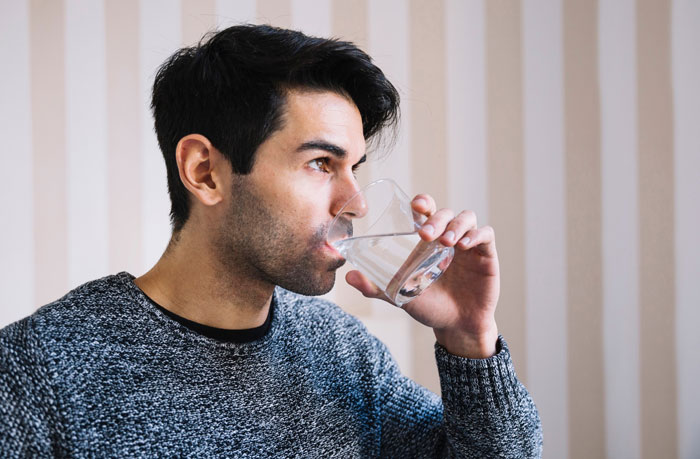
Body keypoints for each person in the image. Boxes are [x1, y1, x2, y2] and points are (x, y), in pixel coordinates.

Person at [0, 24, 542, 457]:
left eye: (354, 167)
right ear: (204, 171)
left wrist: (470, 342)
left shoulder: (343, 354)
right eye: (320, 163)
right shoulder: (36, 371)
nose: (357, 203)